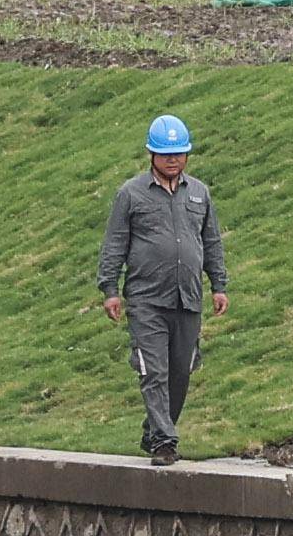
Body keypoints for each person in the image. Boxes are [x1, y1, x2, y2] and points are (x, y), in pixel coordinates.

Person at [92, 113, 227, 462]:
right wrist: (110, 289)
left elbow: (211, 242)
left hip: (188, 298)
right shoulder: (130, 194)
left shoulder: (199, 193)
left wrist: (219, 284)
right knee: (154, 371)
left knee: (180, 373)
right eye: (166, 154)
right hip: (146, 300)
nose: (173, 160)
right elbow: (114, 244)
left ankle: (154, 430)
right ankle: (165, 441)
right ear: (151, 154)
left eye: (179, 153)